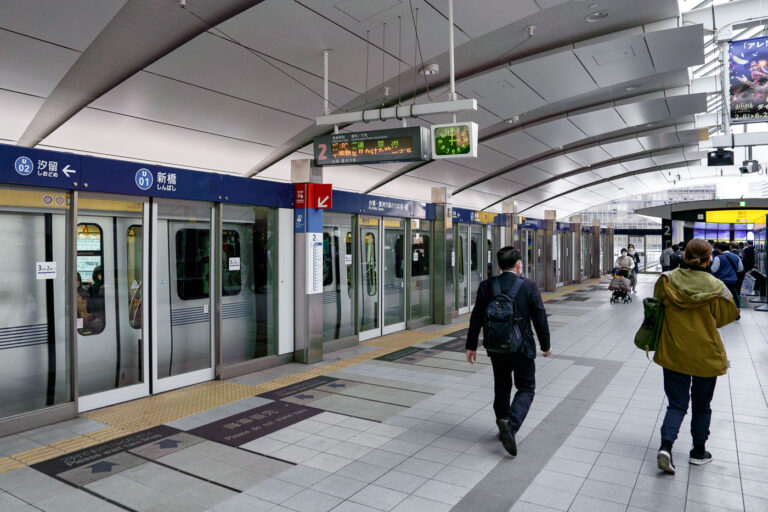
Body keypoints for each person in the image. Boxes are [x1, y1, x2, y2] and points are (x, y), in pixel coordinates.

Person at [654, 239, 739, 474]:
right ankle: (698, 451)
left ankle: (666, 447)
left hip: (674, 350)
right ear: (708, 259)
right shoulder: (717, 287)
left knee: (677, 404)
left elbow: (657, 310)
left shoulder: (667, 280)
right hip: (705, 354)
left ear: (684, 255)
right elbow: (724, 318)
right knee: (702, 405)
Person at [466, 246, 551, 457]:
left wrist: (470, 345)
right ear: (519, 264)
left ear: (498, 265)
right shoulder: (529, 286)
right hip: (522, 347)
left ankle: (501, 421)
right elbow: (540, 317)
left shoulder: (487, 286)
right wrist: (545, 345)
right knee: (526, 387)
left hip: (496, 347)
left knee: (501, 386)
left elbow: (476, 317)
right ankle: (511, 425)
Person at [711, 242, 743, 309]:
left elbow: (714, 270)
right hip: (733, 280)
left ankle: (723, 311)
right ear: (729, 248)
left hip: (721, 281)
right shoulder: (737, 257)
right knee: (733, 295)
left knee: (722, 297)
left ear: (719, 249)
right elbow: (740, 269)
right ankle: (735, 311)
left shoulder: (718, 257)